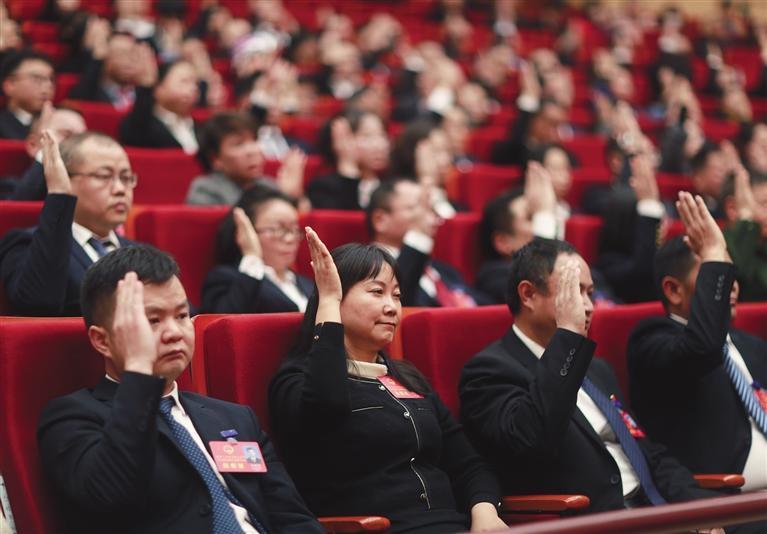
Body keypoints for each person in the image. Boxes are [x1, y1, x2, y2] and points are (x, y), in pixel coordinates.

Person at [38, 245, 323, 533]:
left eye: (182, 315)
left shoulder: (234, 418)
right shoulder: (72, 418)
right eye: (152, 320)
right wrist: (139, 368)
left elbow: (294, 518)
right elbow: (111, 495)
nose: (175, 332)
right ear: (102, 340)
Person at [460, 238, 722, 513]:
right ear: (528, 295)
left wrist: (701, 508)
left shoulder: (596, 368)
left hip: (652, 511)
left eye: (590, 293)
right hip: (593, 519)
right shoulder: (488, 372)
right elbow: (532, 440)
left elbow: (646, 452)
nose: (588, 306)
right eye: (574, 292)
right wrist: (568, 336)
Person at [268, 235, 507, 533]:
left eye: (396, 295)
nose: (392, 307)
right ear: (336, 298)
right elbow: (327, 405)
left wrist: (485, 513)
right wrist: (328, 304)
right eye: (377, 292)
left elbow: (468, 464)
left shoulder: (407, 377)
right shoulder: (297, 380)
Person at [628, 192, 767, 496]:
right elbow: (702, 347)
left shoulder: (751, 345)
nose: (731, 286)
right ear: (673, 290)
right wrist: (713, 249)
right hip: (723, 501)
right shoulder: (651, 340)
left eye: (728, 271)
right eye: (714, 272)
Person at [0, 130, 137, 316]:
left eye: (126, 178)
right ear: (65, 177)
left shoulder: (141, 251)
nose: (120, 189)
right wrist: (59, 195)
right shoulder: (27, 244)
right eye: (104, 176)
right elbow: (38, 306)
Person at [367, 178, 487, 307]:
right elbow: (398, 303)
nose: (428, 216)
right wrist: (418, 235)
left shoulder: (443, 270)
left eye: (429, 208)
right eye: (415, 208)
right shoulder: (369, 270)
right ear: (380, 220)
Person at [201, 186, 312, 314]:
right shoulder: (227, 278)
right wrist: (252, 256)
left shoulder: (308, 284)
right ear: (246, 232)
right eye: (278, 229)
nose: (290, 239)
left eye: (294, 229)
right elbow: (224, 321)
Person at [475, 162, 561, 304]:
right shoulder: (494, 277)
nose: (545, 223)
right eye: (531, 217)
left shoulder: (581, 270)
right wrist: (544, 216)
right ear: (503, 242)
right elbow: (542, 296)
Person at [186, 111, 305, 206]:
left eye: (254, 140)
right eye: (238, 144)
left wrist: (294, 197)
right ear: (215, 159)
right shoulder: (205, 190)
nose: (252, 150)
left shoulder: (268, 185)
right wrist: (284, 197)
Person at [595, 153, 664, 303]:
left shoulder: (661, 255)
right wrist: (649, 209)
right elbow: (643, 273)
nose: (660, 226)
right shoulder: (610, 264)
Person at [308, 109, 389, 210]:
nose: (380, 144)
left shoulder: (394, 185)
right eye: (367, 136)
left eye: (382, 135)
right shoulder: (323, 188)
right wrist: (349, 172)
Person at [118, 54, 201, 154]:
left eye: (196, 83)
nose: (193, 88)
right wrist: (145, 87)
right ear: (158, 87)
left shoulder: (199, 127)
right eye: (184, 81)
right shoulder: (140, 124)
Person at [6, 103, 87, 201]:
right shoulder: (9, 186)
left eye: (81, 138)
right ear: (33, 145)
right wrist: (44, 152)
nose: (78, 144)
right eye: (66, 134)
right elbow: (18, 203)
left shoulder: (93, 185)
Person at [0, 49, 55, 139]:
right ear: (10, 85)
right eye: (37, 79)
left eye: (51, 80)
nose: (48, 86)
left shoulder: (61, 120)